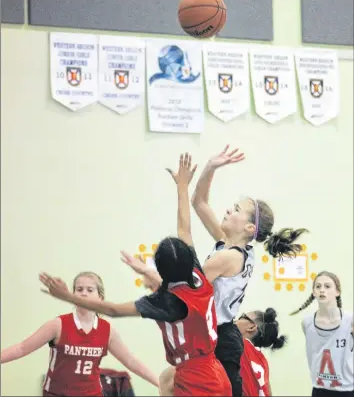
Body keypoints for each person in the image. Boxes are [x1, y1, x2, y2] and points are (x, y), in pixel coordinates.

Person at [39, 153, 232, 397]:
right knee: (166, 380)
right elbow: (185, 228)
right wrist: (182, 185)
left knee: (168, 379)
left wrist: (68, 296)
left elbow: (113, 310)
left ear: (161, 271)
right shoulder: (197, 275)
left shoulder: (167, 302)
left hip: (198, 379)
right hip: (214, 370)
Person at [138, 145, 308, 397]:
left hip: (220, 339)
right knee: (168, 380)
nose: (229, 210)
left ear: (250, 228)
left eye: (237, 210)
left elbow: (186, 266)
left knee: (176, 382)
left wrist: (157, 278)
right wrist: (211, 166)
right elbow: (200, 202)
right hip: (215, 335)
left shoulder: (228, 258)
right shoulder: (232, 246)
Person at [1, 271, 159, 396]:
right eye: (79, 289)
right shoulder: (58, 325)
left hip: (92, 393)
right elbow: (22, 348)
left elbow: (130, 361)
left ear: (100, 297)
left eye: (90, 290)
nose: (84, 293)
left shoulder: (107, 330)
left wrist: (159, 383)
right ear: (72, 295)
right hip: (57, 393)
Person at [290, 271, 353, 397]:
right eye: (318, 286)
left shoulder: (350, 321)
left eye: (327, 286)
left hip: (347, 390)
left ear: (337, 292)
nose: (322, 290)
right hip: (319, 389)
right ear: (313, 292)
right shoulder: (307, 323)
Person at [236, 308, 287, 396]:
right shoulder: (263, 363)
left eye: (242, 317)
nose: (236, 320)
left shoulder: (239, 344)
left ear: (251, 327)